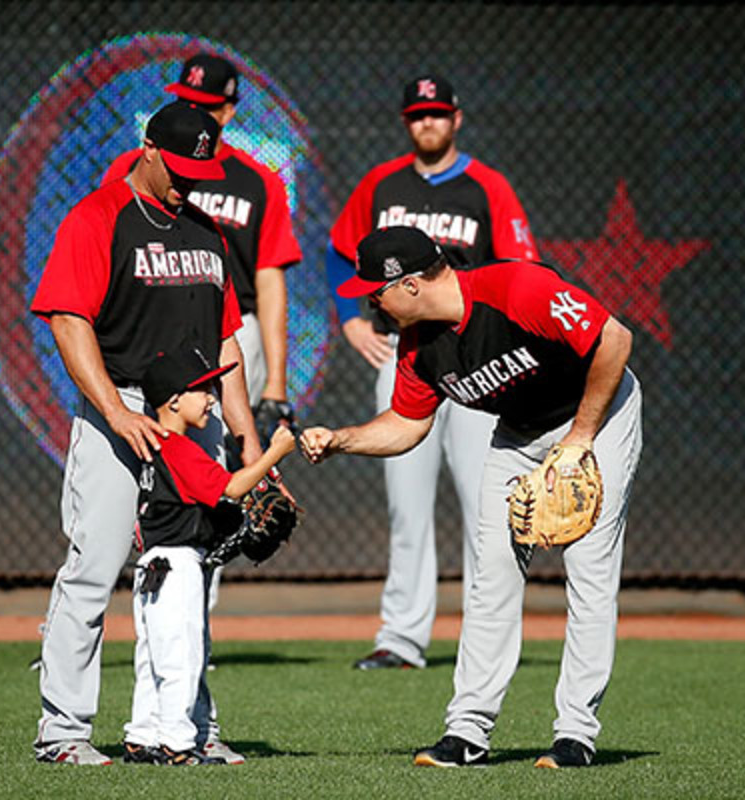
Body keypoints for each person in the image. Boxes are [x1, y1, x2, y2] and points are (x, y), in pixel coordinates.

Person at [301, 227, 642, 768]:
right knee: (492, 579)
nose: (370, 301)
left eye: (376, 290)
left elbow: (615, 340)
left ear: (410, 285)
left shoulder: (513, 289)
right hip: (519, 433)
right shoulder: (418, 349)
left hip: (597, 417)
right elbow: (406, 425)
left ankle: (576, 734)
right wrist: (342, 440)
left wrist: (580, 439)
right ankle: (467, 733)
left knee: (590, 573)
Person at [29, 102, 262, 766]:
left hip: (193, 418)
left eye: (203, 168)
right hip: (120, 408)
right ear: (150, 150)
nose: (192, 179)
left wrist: (243, 431)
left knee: (188, 575)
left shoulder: (208, 233)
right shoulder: (98, 218)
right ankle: (64, 731)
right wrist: (116, 411)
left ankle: (183, 726)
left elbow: (225, 341)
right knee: (94, 568)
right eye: (182, 166)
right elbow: (69, 321)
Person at [325, 74, 539, 670]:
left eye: (438, 114)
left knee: (484, 501)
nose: (429, 123)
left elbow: (522, 268)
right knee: (407, 506)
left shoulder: (486, 186)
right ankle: (401, 636)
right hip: (406, 355)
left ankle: (489, 634)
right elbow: (340, 250)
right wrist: (350, 319)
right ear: (405, 121)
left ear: (457, 119)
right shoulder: (380, 184)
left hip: (477, 358)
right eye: (418, 114)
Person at [102, 53, 303, 612]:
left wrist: (276, 387)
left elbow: (270, 282)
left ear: (230, 109)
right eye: (184, 98)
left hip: (226, 332)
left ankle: (191, 613)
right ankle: (89, 612)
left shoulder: (257, 180)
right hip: (146, 328)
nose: (192, 108)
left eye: (205, 103)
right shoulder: (135, 167)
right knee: (118, 488)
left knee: (216, 476)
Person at [121, 346, 296, 766]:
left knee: (152, 658)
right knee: (181, 656)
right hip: (177, 566)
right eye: (203, 389)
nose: (213, 398)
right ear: (175, 400)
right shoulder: (178, 447)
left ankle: (142, 735)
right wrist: (275, 453)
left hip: (149, 568)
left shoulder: (148, 444)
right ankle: (178, 745)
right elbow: (231, 489)